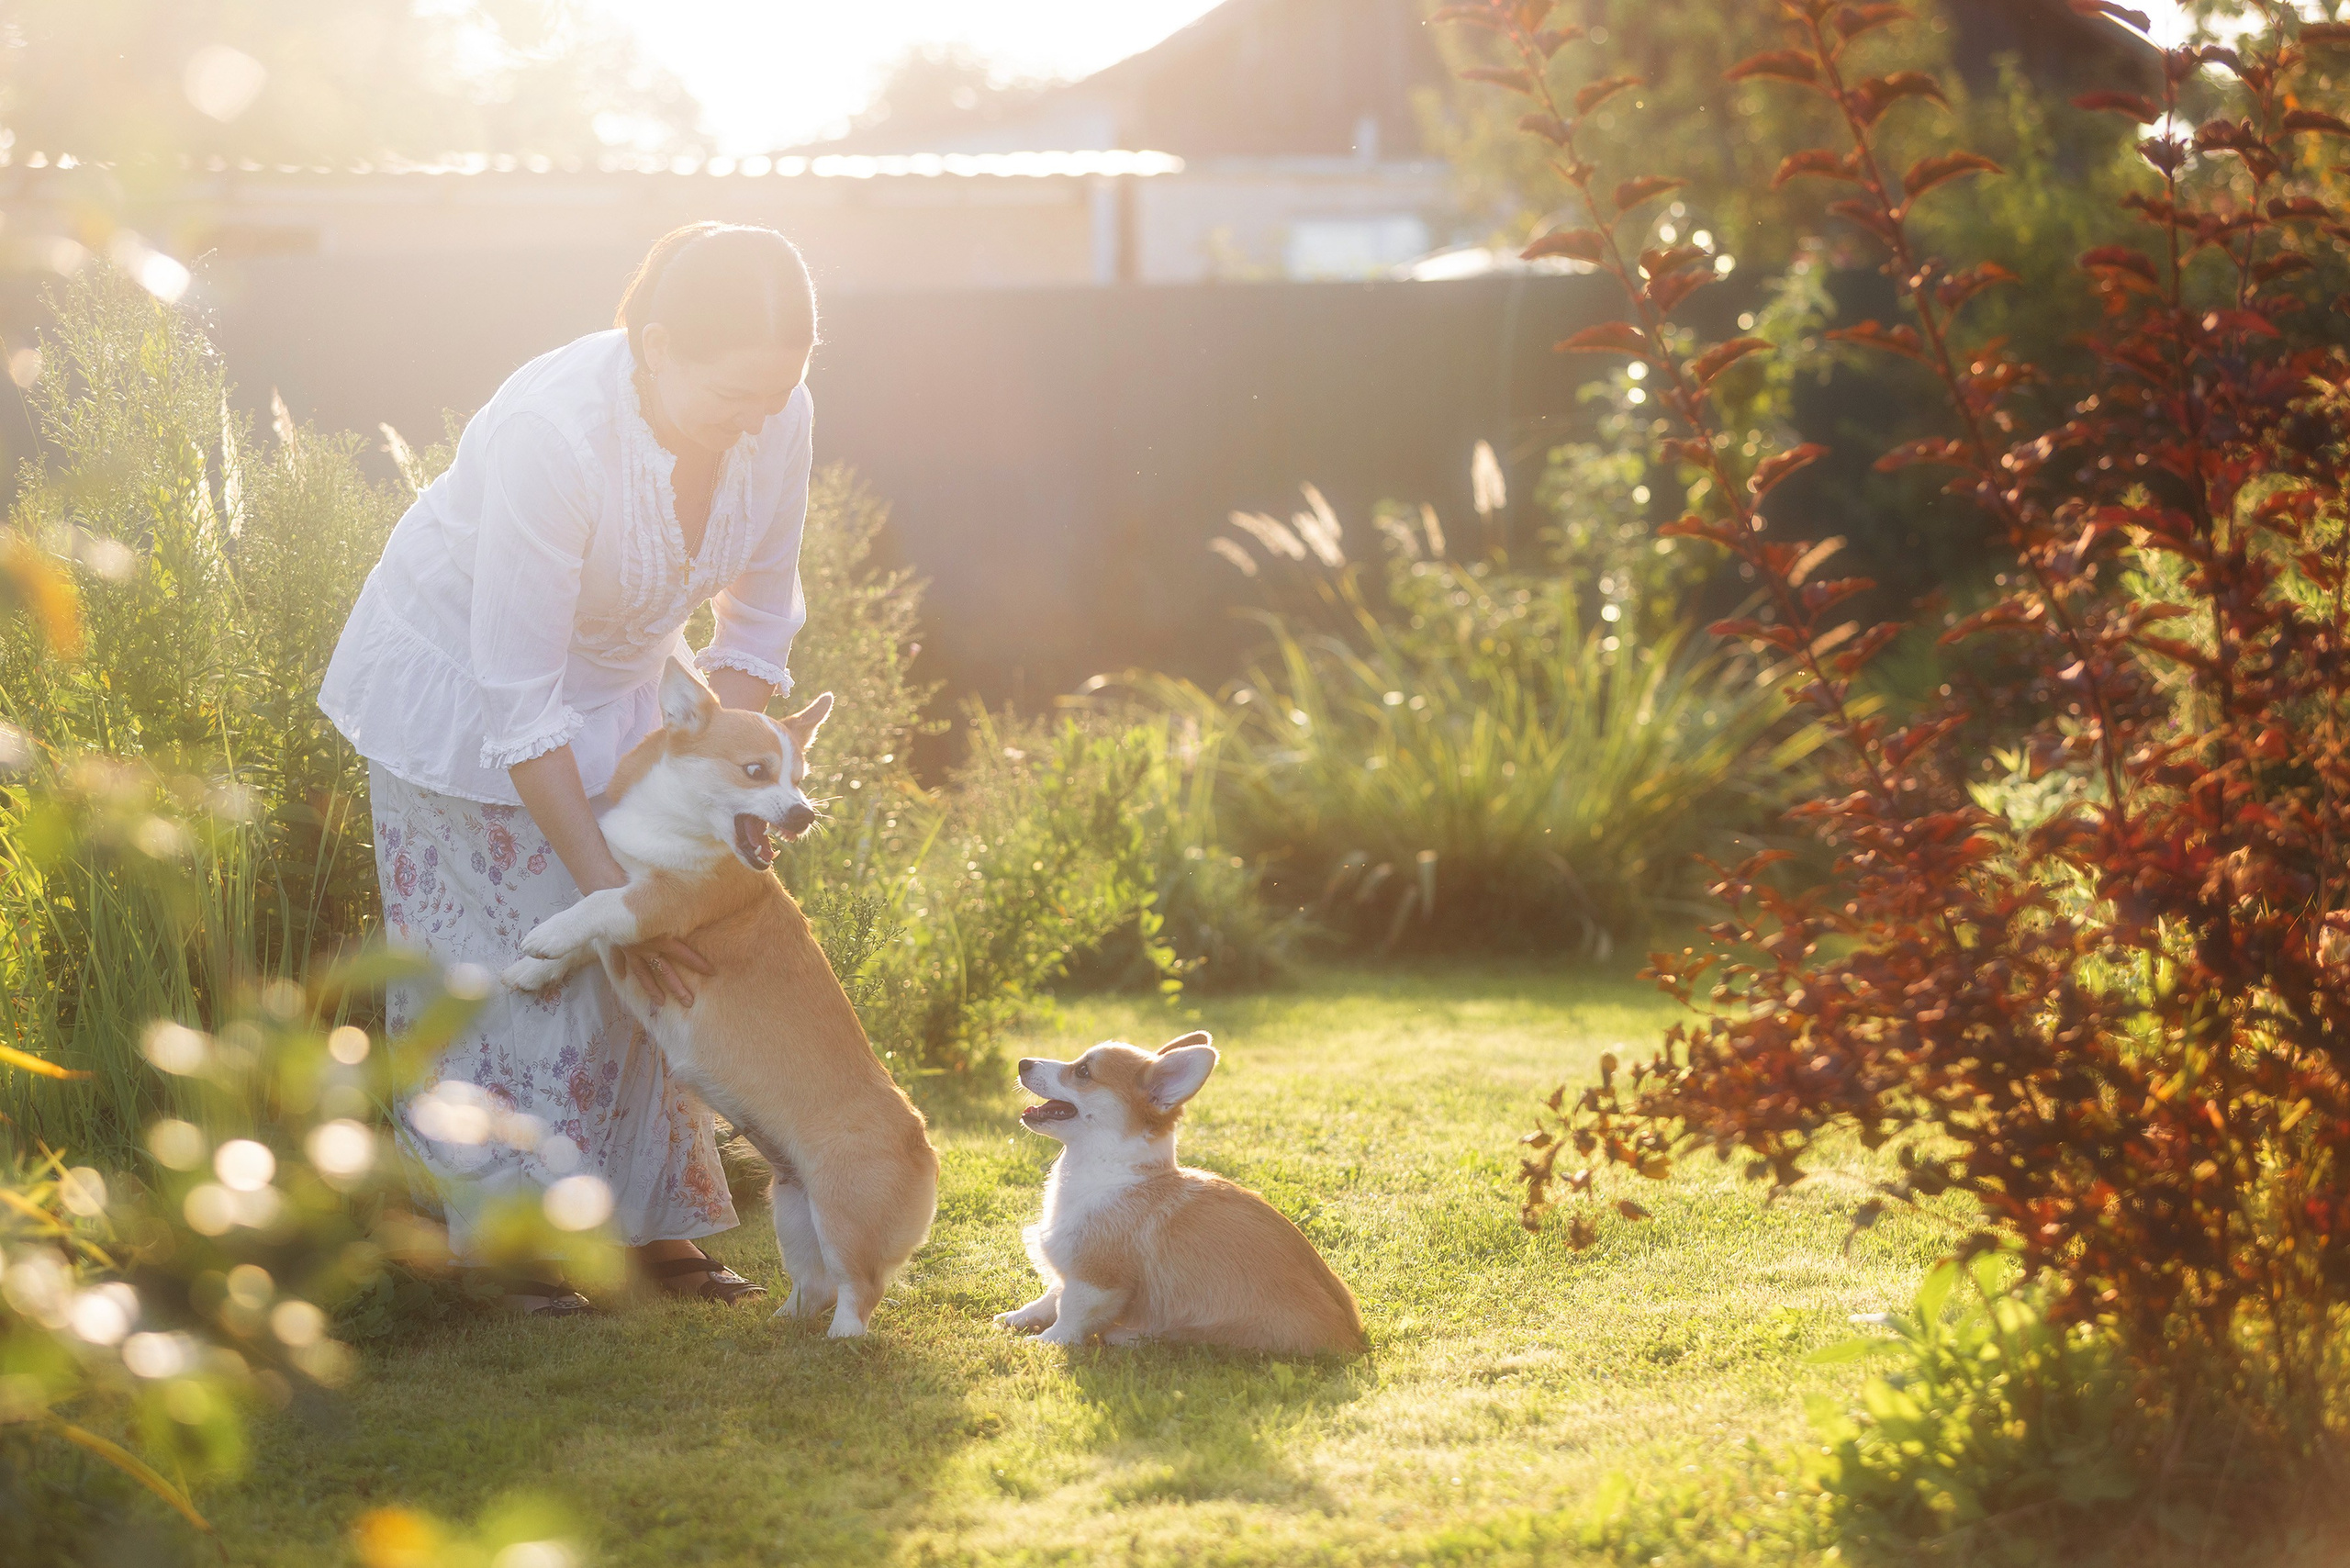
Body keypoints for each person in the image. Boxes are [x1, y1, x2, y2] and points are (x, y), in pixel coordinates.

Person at [319, 222, 818, 1312]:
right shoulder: (557, 433)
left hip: (634, 687)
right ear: (655, 343)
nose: (756, 420)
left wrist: (715, 799)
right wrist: (619, 897)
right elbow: (519, 699)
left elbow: (760, 613)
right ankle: (509, 1246)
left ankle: (645, 1231)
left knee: (648, 957)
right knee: (508, 970)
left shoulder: (776, 411)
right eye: (733, 394)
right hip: (467, 691)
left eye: (776, 396)